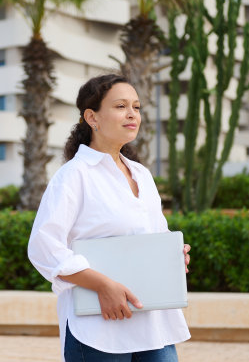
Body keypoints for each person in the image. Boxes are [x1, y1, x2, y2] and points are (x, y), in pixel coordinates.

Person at [28, 74, 191, 362]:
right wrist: (103, 286)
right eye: (120, 106)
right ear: (92, 117)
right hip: (99, 329)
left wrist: (174, 255)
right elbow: (44, 247)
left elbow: (155, 235)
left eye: (137, 107)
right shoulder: (73, 176)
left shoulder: (141, 174)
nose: (132, 114)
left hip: (153, 322)